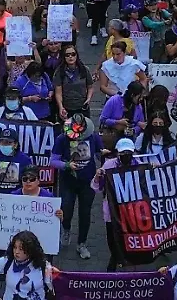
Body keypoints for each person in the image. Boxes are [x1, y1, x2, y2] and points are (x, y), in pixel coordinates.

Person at [52, 112, 100, 259]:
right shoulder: (62, 139)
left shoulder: (93, 137)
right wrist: (66, 165)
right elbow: (53, 160)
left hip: (87, 181)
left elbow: (99, 153)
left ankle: (82, 243)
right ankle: (66, 230)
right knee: (66, 208)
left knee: (85, 213)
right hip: (68, 181)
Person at [94, 138, 147, 271]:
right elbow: (97, 188)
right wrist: (98, 176)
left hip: (131, 211)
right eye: (123, 153)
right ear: (118, 153)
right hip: (112, 211)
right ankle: (115, 256)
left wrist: (152, 170)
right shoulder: (109, 165)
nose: (126, 156)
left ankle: (122, 261)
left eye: (128, 153)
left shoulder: (140, 166)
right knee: (112, 239)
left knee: (127, 237)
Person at [0, 231, 57, 300]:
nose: (16, 252)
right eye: (15, 247)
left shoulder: (43, 265)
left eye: (21, 249)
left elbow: (52, 288)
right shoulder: (7, 261)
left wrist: (56, 275)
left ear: (30, 250)